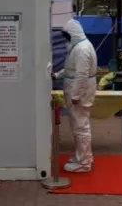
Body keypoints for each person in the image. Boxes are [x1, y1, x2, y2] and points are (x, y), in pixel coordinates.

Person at [52, 19, 98, 173]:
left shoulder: (82, 49)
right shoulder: (79, 47)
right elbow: (70, 68)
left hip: (79, 91)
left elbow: (81, 74)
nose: (65, 39)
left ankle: (84, 162)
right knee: (79, 125)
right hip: (78, 89)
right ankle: (83, 156)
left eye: (67, 35)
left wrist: (76, 94)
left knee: (81, 126)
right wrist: (57, 75)